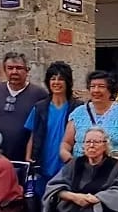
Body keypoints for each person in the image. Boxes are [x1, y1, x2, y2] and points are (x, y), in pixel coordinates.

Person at [24, 61, 82, 194]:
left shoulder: (78, 108)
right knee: (42, 202)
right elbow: (33, 133)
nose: (56, 82)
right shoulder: (40, 107)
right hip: (43, 163)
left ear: (68, 82)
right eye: (53, 79)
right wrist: (28, 156)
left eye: (61, 79)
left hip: (68, 163)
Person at [60, 71, 118, 166]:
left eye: (101, 86)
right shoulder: (78, 113)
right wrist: (70, 161)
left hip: (112, 172)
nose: (96, 90)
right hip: (82, 171)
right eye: (92, 86)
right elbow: (66, 143)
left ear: (110, 90)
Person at [0, 52, 47, 161]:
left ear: (27, 70)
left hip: (24, 158)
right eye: (10, 68)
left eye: (19, 68)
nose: (14, 72)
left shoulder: (39, 94)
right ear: (4, 70)